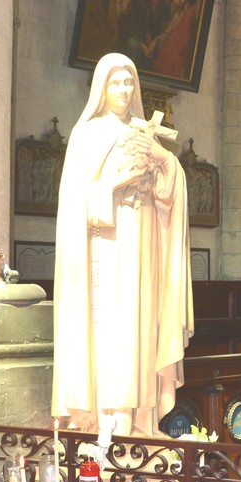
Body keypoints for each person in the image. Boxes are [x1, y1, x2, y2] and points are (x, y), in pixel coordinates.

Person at [52, 52, 194, 449]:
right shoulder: (87, 134)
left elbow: (171, 190)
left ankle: (140, 419)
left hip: (145, 240)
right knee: (112, 328)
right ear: (101, 88)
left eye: (129, 82)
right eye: (116, 83)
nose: (124, 90)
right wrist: (116, 184)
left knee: (142, 324)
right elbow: (73, 203)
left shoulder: (143, 131)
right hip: (107, 247)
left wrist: (164, 162)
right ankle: (109, 418)